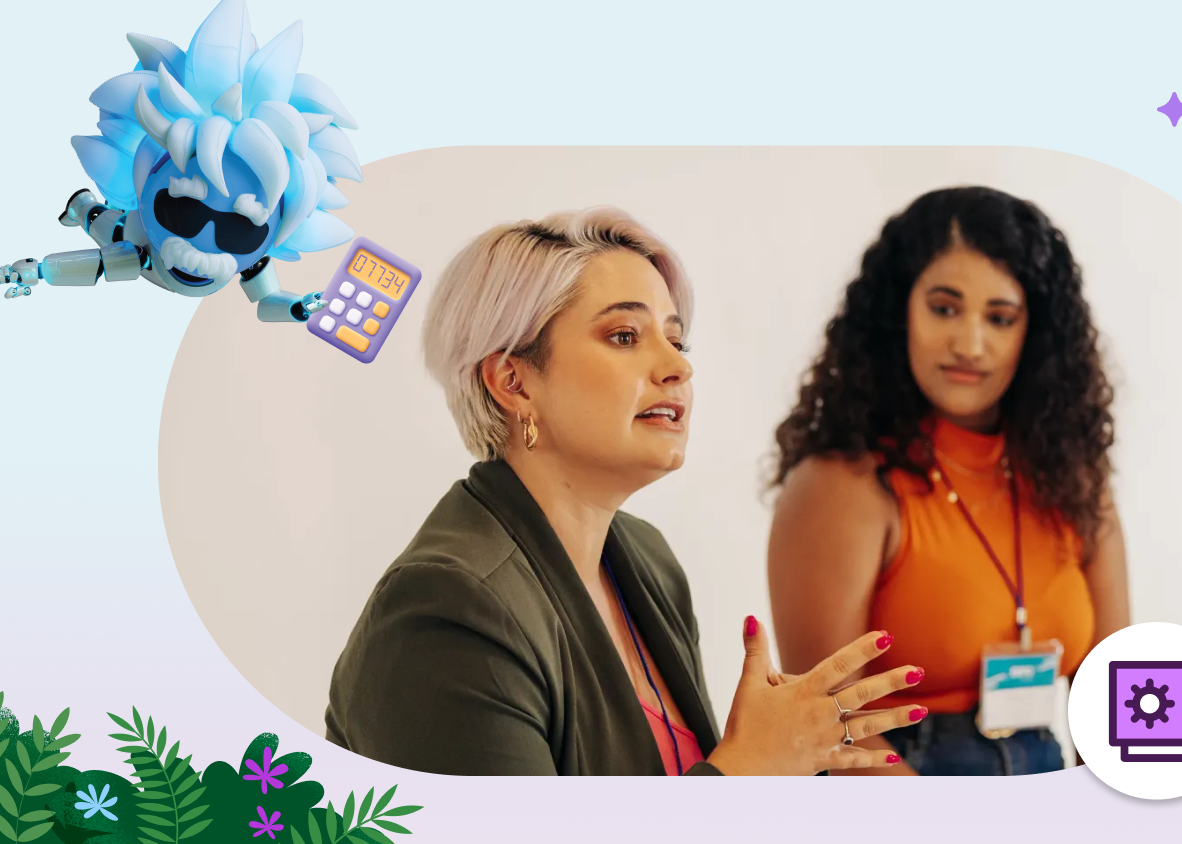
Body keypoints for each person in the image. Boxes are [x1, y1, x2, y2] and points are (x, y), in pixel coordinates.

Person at [324, 207, 929, 775]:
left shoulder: (646, 560)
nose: (678, 367)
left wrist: (792, 759)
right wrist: (748, 768)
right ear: (513, 381)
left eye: (676, 339)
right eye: (624, 336)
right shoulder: (448, 605)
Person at [766, 186, 1130, 776]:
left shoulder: (1074, 476)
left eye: (1000, 317)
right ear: (898, 314)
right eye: (944, 307)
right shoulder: (842, 485)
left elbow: (1116, 683)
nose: (970, 343)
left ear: (1032, 334)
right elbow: (832, 731)